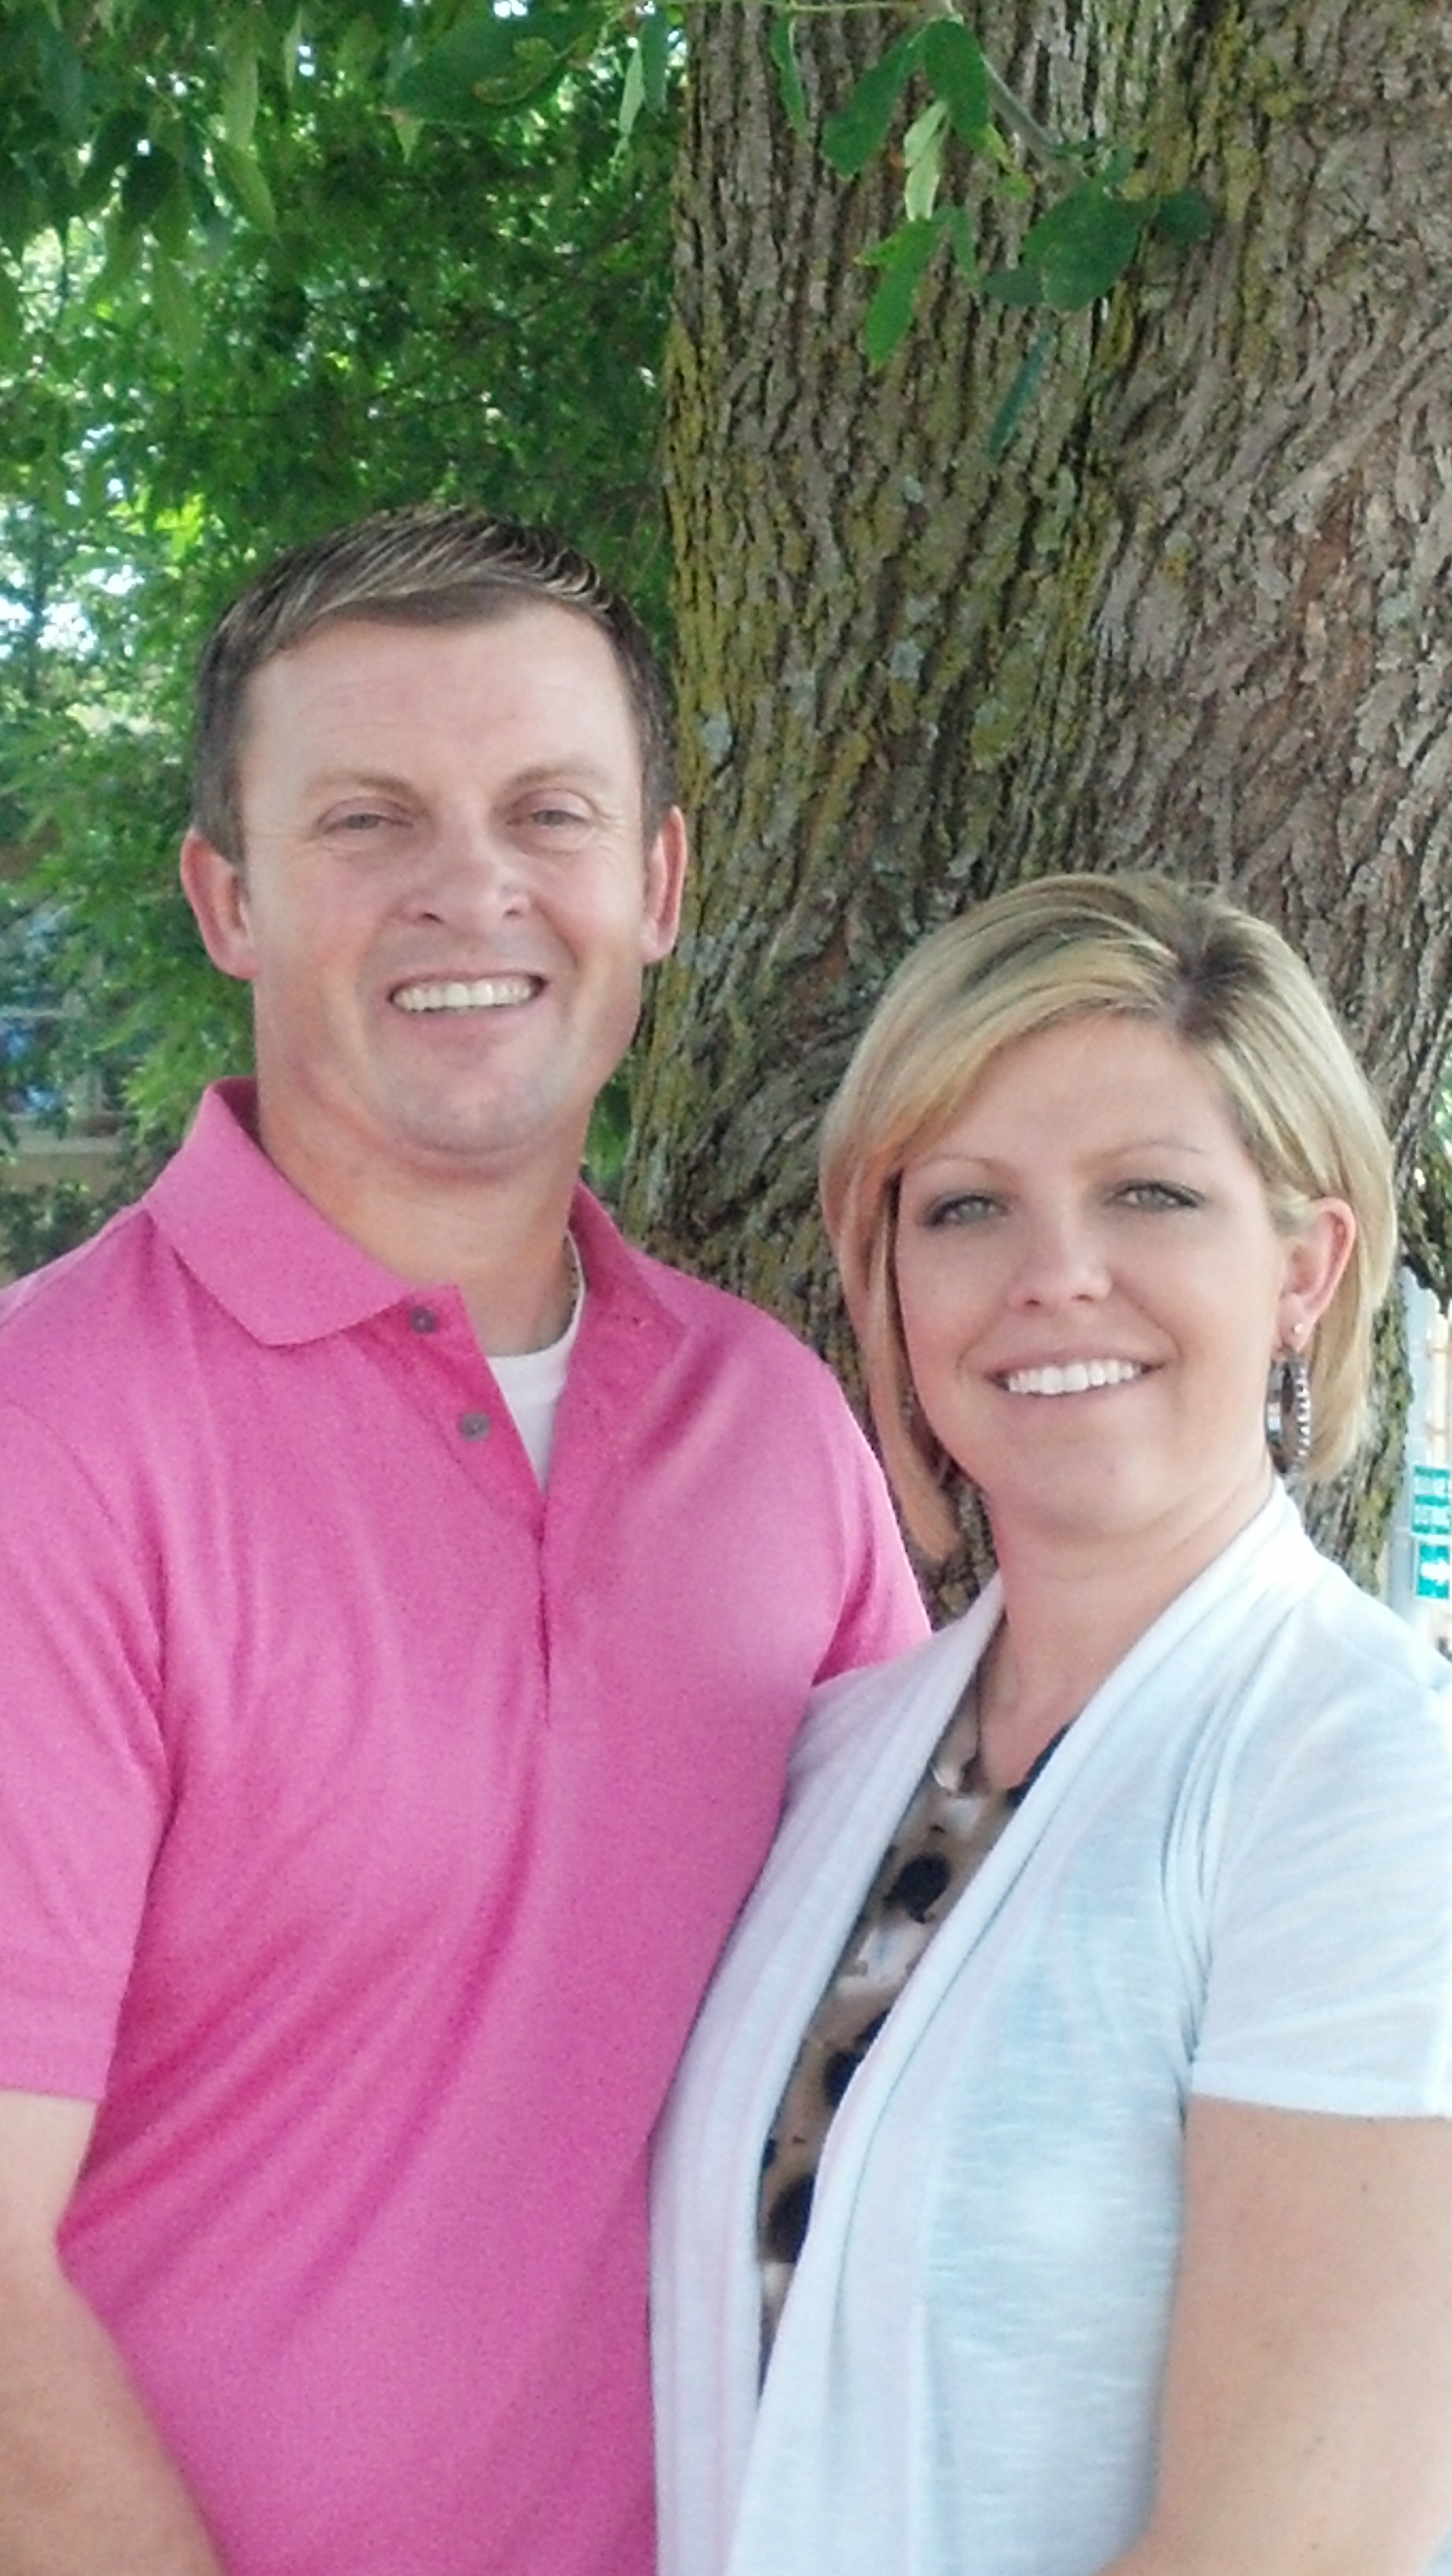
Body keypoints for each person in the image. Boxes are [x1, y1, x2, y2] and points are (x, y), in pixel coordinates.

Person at [0, 504, 926, 2576]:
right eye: (367, 820)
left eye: (547, 812)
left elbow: (908, 2069)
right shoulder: (46, 1445)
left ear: (656, 885)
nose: (471, 887)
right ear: (228, 899)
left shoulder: (776, 1434)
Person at [653, 871, 1452, 2576]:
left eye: (1149, 1194)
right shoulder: (836, 1760)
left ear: (1304, 1268)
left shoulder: (1365, 1783)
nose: (1054, 1278)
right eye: (966, 1210)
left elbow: (1295, 2547)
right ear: (889, 1280)